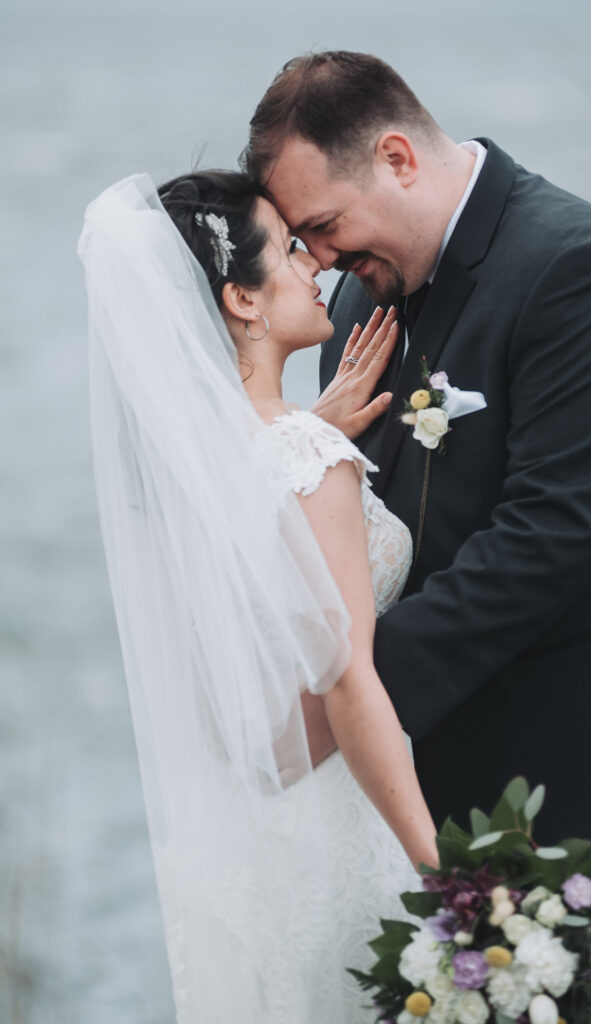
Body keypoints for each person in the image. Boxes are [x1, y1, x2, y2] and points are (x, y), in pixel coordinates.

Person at [243, 51, 591, 1018]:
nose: (321, 259)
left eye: (324, 226)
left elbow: (548, 537)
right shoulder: (361, 293)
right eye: (303, 242)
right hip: (449, 801)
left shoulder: (576, 268)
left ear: (396, 158)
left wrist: (346, 697)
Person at [79, 169, 437, 1024]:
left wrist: (314, 428)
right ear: (242, 299)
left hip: (252, 848)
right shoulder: (305, 459)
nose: (317, 265)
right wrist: (445, 874)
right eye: (288, 251)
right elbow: (345, 680)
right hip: (346, 828)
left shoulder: (193, 478)